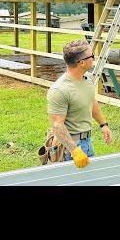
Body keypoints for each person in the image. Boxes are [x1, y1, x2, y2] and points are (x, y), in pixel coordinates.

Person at [47, 39, 112, 168]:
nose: (94, 59)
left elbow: (91, 102)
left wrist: (103, 124)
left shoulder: (87, 79)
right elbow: (57, 125)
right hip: (69, 147)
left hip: (86, 142)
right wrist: (74, 151)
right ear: (82, 63)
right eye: (92, 56)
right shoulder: (60, 89)